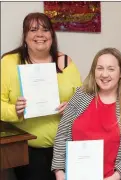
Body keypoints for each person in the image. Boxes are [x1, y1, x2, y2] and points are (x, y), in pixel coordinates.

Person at [1, 12, 82, 180]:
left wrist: (72, 108)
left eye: (45, 30)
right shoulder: (9, 62)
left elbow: (82, 100)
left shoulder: (66, 62)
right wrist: (14, 110)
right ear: (25, 36)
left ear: (52, 35)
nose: (40, 34)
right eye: (33, 30)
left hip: (65, 147)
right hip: (27, 150)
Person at [52, 48, 121, 180]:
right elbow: (62, 134)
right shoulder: (81, 95)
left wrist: (116, 176)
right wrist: (59, 172)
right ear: (94, 71)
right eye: (100, 68)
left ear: (120, 73)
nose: (104, 74)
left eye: (111, 69)